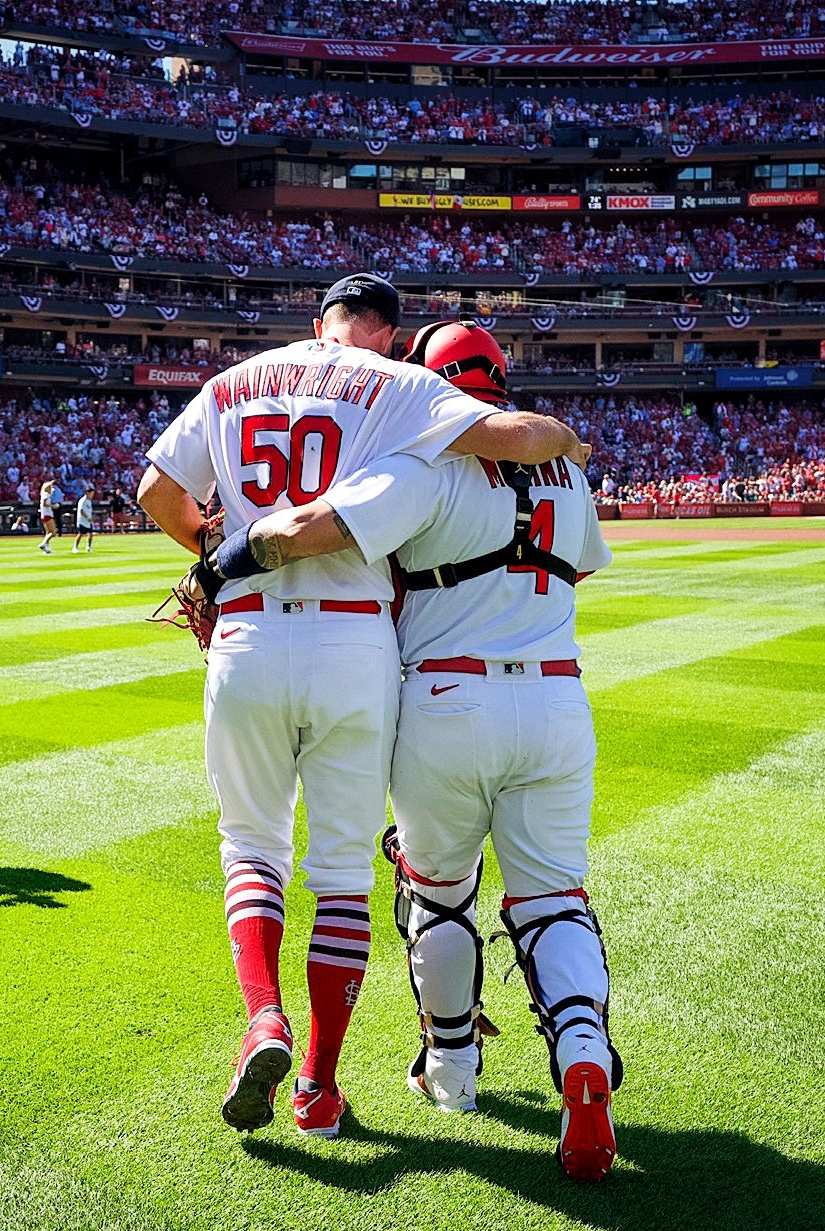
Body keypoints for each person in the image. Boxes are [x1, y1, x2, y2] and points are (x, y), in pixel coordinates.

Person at [139, 276, 590, 1141]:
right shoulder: (399, 384)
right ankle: (316, 1085)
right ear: (386, 336)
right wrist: (566, 434)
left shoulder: (238, 378)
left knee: (250, 847)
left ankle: (263, 1018)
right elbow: (523, 437)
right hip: (356, 645)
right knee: (341, 871)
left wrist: (210, 554)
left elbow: (157, 490)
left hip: (244, 637)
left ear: (319, 324)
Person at [72, 485, 95, 552]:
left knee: (90, 534)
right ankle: (75, 547)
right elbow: (81, 511)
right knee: (80, 534)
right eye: (91, 494)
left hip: (88, 521)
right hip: (82, 521)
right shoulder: (82, 501)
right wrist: (87, 517)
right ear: (87, 493)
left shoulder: (89, 501)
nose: (92, 495)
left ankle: (88, 547)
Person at [38, 479, 57, 554]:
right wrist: (53, 506)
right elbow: (44, 504)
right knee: (53, 532)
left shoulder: (45, 494)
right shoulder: (45, 494)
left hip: (45, 514)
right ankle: (43, 543)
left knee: (48, 532)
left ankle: (46, 548)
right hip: (47, 514)